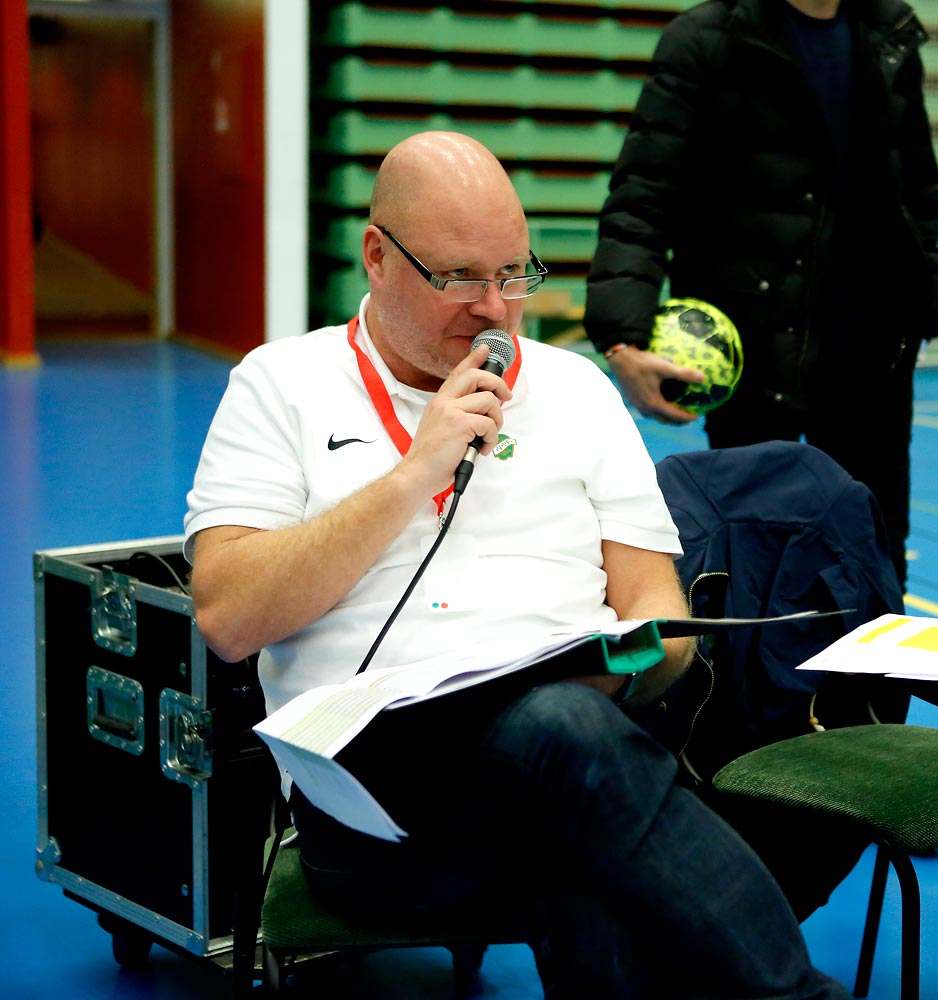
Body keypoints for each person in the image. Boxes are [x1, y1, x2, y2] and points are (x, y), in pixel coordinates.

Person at [184, 131, 849, 1000]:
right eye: (460, 277)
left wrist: (630, 663)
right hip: (377, 812)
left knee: (573, 782)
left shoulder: (575, 392)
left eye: (514, 275)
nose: (494, 309)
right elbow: (228, 620)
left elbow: (660, 619)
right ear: (378, 258)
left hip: (576, 762)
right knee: (578, 779)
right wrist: (415, 472)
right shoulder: (279, 385)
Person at [585, 0, 938, 587]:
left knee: (872, 568)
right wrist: (622, 338)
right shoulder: (706, 40)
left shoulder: (890, 34)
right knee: (746, 574)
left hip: (871, 362)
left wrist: (923, 300)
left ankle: (869, 685)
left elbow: (918, 189)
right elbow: (641, 200)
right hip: (750, 362)